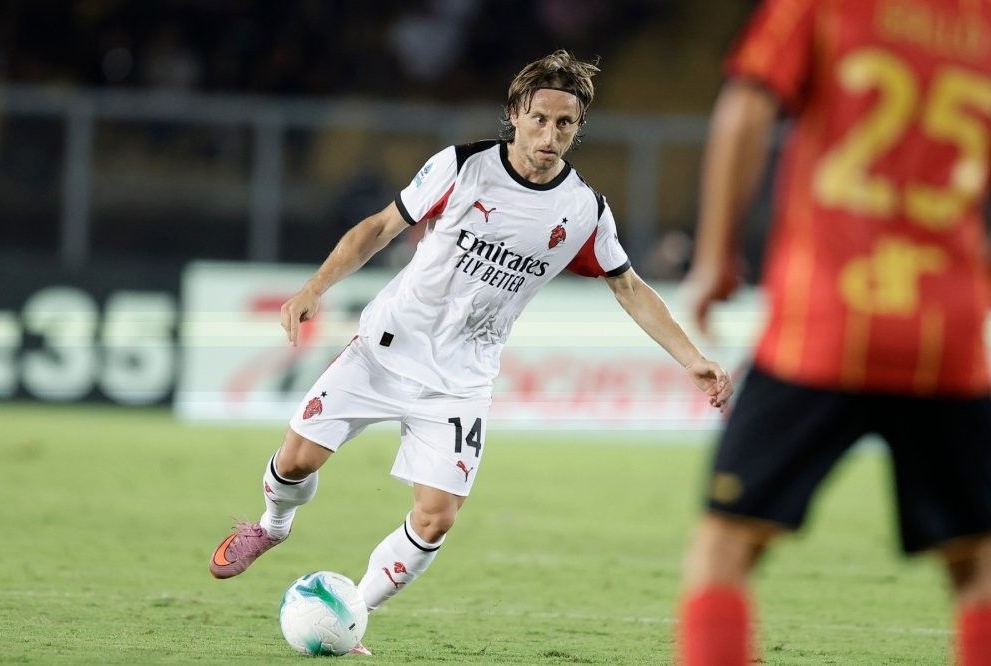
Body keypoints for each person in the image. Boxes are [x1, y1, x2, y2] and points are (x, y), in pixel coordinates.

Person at [208, 50, 734, 652]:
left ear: (579, 127)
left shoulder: (584, 210)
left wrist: (691, 358)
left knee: (436, 517)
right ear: (515, 114)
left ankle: (352, 612)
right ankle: (272, 527)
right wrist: (314, 287)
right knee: (296, 460)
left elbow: (629, 287)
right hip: (384, 349)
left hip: (461, 381)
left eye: (564, 124)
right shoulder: (461, 167)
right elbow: (380, 227)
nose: (550, 135)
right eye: (539, 119)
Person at [678, 0, 991, 664]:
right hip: (946, 333)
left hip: (820, 326)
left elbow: (747, 106)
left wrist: (714, 256)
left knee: (726, 545)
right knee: (978, 562)